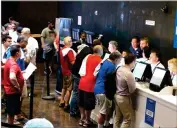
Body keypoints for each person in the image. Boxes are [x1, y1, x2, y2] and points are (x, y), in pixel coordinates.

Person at [94, 52, 122, 128]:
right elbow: (111, 81)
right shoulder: (112, 67)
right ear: (116, 59)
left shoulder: (105, 61)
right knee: (102, 113)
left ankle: (106, 124)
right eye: (120, 60)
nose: (120, 62)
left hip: (97, 88)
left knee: (106, 110)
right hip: (103, 91)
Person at [78, 45, 103, 127]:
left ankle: (82, 117)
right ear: (100, 51)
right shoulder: (100, 60)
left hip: (82, 82)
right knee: (88, 104)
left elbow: (82, 69)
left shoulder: (87, 56)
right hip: (90, 85)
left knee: (81, 102)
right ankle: (87, 120)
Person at [114, 53, 136, 128]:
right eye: (135, 62)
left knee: (117, 117)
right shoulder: (129, 74)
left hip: (117, 95)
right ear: (132, 62)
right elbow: (132, 90)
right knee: (127, 119)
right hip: (124, 98)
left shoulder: (119, 68)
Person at [3, 45, 24, 124]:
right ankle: (10, 124)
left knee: (11, 112)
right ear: (17, 53)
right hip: (13, 91)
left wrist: (20, 74)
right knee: (11, 113)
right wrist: (17, 86)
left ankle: (10, 123)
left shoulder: (9, 60)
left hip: (9, 90)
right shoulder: (13, 64)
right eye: (20, 52)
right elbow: (12, 77)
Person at [70, 43, 92, 116]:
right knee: (76, 93)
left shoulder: (80, 54)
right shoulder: (87, 54)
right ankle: (73, 111)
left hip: (74, 73)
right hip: (77, 75)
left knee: (74, 92)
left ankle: (73, 110)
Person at [59, 36, 76, 111]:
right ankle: (66, 104)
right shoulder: (69, 51)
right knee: (69, 88)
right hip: (69, 72)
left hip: (64, 71)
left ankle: (61, 100)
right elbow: (72, 62)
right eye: (71, 41)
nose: (72, 42)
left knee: (64, 87)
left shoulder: (62, 50)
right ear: (69, 42)